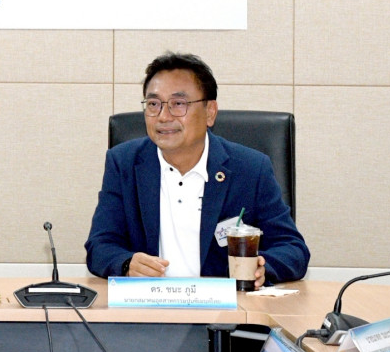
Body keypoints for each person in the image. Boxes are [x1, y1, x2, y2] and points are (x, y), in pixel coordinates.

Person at [85, 52, 308, 287]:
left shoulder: (250, 168)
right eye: (153, 104)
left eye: (178, 104)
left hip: (225, 306)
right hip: (150, 303)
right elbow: (100, 246)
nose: (163, 116)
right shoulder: (124, 163)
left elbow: (292, 249)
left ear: (210, 112)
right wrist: (127, 264)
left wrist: (262, 267)